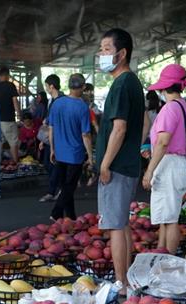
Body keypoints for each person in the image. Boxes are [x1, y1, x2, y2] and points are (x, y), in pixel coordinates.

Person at [94, 27, 144, 288]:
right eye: (100, 49)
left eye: (106, 49)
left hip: (117, 166)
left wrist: (104, 163)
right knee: (122, 224)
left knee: (115, 225)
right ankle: (126, 280)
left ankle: (121, 282)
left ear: (121, 54)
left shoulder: (123, 84)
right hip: (127, 164)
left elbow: (120, 128)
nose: (100, 54)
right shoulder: (131, 83)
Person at [142, 64, 186, 251]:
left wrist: (149, 170)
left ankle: (169, 260)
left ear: (164, 87)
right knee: (166, 217)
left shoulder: (170, 108)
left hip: (169, 165)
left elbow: (163, 142)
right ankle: (162, 254)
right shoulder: (183, 107)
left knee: (170, 219)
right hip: (176, 163)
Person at [48, 73, 93, 221]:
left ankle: (70, 217)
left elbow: (51, 128)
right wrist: (91, 157)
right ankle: (56, 213)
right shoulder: (82, 107)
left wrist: (53, 149)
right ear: (83, 87)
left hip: (60, 153)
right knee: (69, 188)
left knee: (66, 187)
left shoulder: (57, 103)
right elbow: (85, 135)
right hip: (75, 154)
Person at [0, 67, 21, 162]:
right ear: (7, 75)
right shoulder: (10, 86)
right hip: (8, 120)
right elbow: (15, 100)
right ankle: (15, 163)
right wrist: (19, 114)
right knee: (13, 142)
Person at [39, 74, 64, 203]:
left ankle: (52, 191)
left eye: (46, 86)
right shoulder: (51, 101)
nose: (46, 88)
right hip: (50, 137)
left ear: (51, 86)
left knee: (55, 164)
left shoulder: (61, 101)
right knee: (48, 164)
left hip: (59, 138)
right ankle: (59, 188)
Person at [141, 90, 162, 159]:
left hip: (146, 138)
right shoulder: (160, 112)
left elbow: (146, 126)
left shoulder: (146, 113)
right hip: (157, 139)